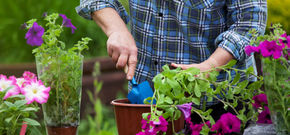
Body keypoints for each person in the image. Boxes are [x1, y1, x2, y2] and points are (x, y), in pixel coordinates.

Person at [76, 0, 267, 107]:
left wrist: (210, 65)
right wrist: (117, 30)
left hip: (219, 104)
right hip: (146, 101)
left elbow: (250, 23)